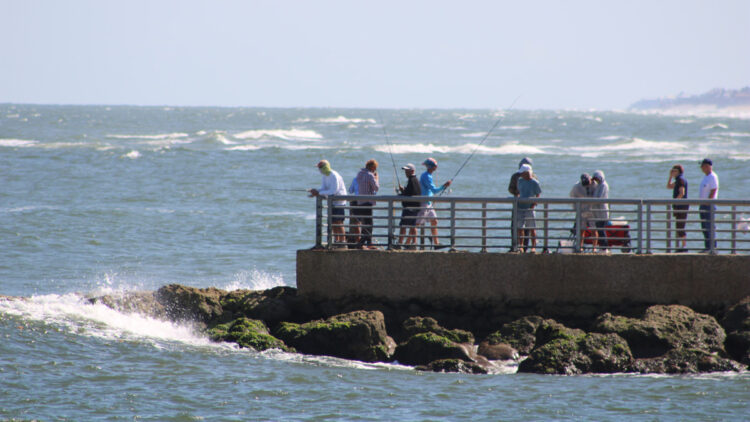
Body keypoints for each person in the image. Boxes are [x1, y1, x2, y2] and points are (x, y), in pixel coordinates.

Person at [309, 160, 347, 245]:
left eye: (320, 168)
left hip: (339, 202)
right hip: (332, 202)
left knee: (339, 222)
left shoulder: (334, 176)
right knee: (333, 222)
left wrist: (318, 193)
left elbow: (333, 191)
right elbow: (324, 188)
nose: (319, 170)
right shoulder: (325, 176)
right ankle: (336, 241)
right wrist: (315, 191)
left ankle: (342, 241)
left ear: (325, 167)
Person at [417, 158, 451, 249]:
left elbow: (431, 191)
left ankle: (436, 244)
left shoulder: (428, 175)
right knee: (416, 224)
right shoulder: (426, 176)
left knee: (434, 221)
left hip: (428, 202)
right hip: (424, 203)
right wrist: (444, 185)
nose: (436, 167)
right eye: (435, 165)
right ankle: (407, 243)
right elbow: (434, 190)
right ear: (431, 166)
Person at [508, 157, 535, 250]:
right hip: (518, 205)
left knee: (527, 227)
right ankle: (515, 246)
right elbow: (511, 189)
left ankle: (524, 247)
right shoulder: (515, 176)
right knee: (516, 226)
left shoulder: (533, 177)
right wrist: (517, 193)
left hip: (528, 206)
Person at [394, 163, 421, 250]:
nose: (406, 172)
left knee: (403, 225)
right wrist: (404, 190)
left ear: (412, 171)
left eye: (407, 170)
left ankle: (399, 243)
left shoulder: (411, 180)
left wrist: (403, 192)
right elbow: (414, 192)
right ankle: (414, 243)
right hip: (416, 207)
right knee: (413, 226)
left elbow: (409, 194)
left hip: (409, 207)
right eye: (405, 171)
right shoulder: (416, 180)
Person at [354, 159, 379, 249]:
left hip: (360, 201)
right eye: (375, 168)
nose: (375, 170)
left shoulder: (359, 173)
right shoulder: (370, 175)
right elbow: (376, 188)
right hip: (368, 202)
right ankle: (363, 243)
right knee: (369, 223)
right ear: (372, 167)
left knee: (365, 223)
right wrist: (376, 178)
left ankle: (368, 243)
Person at [516, 164, 541, 252]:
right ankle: (521, 246)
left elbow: (538, 194)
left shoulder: (535, 182)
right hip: (520, 206)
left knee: (532, 228)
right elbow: (518, 191)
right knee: (520, 227)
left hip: (530, 207)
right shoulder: (520, 181)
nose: (521, 175)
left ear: (527, 173)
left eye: (522, 173)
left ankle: (533, 246)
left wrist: (534, 203)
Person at [667, 164, 689, 253]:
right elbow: (668, 186)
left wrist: (676, 201)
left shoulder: (680, 180)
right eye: (672, 170)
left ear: (679, 171)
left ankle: (684, 246)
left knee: (680, 226)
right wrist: (670, 177)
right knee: (679, 226)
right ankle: (682, 246)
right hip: (680, 206)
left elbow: (682, 192)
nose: (673, 172)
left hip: (681, 206)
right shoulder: (678, 180)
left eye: (675, 170)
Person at [698, 158, 719, 252]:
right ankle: (707, 247)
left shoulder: (712, 176)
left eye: (702, 166)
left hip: (708, 205)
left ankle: (712, 247)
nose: (701, 168)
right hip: (703, 205)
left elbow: (714, 190)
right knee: (704, 227)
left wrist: (708, 201)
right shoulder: (706, 177)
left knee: (709, 226)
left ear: (707, 166)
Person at [570, 173, 595, 237]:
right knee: (581, 229)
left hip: (592, 211)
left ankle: (594, 246)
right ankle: (580, 245)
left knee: (594, 229)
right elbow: (572, 198)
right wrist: (576, 209)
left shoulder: (595, 185)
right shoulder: (576, 187)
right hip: (582, 211)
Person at [591, 170, 610, 253]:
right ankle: (602, 247)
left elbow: (599, 198)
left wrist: (592, 201)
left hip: (601, 212)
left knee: (601, 230)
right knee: (599, 230)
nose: (596, 181)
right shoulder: (599, 185)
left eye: (597, 179)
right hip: (597, 212)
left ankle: (604, 247)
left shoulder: (603, 186)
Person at [346, 174, 361, 247]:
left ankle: (357, 240)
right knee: (366, 222)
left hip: (355, 201)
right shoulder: (370, 178)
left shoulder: (355, 178)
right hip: (366, 202)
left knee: (356, 222)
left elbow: (350, 190)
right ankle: (365, 241)